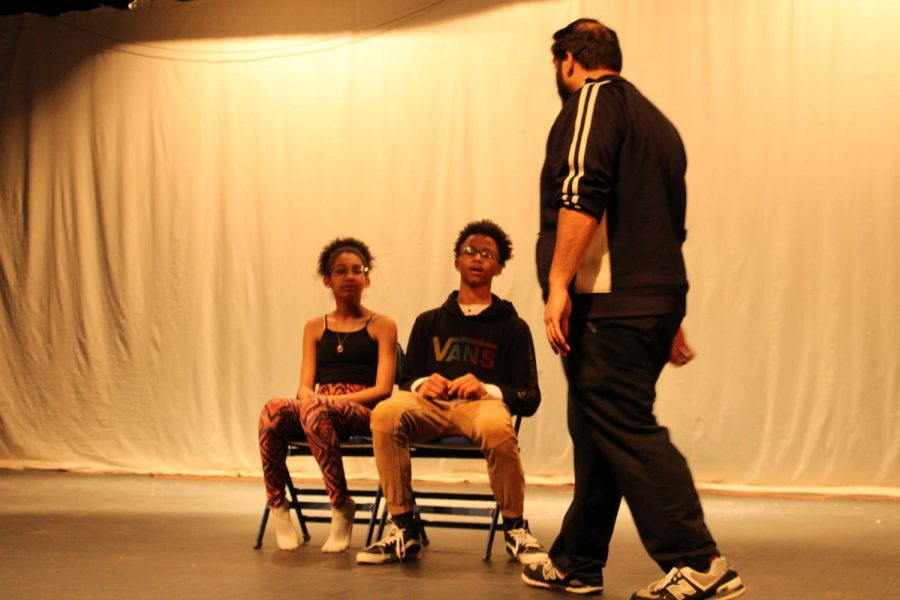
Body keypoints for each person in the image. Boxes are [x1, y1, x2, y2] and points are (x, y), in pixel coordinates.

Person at [523, 19, 745, 599]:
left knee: (622, 423)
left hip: (609, 305)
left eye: (556, 65)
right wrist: (668, 318)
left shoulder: (591, 103)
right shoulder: (658, 123)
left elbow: (581, 192)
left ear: (570, 60)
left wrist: (557, 284)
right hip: (648, 303)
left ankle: (699, 559)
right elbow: (668, 226)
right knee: (597, 427)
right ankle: (577, 560)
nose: (558, 75)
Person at [356, 220, 547, 566]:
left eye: (487, 254)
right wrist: (419, 384)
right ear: (456, 261)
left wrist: (487, 388)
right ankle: (402, 525)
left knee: (497, 429)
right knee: (385, 413)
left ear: (499, 267)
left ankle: (515, 528)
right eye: (469, 252)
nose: (476, 259)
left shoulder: (512, 327)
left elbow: (529, 397)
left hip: (481, 408)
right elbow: (407, 378)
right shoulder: (429, 321)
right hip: (431, 406)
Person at [258, 238, 398, 553]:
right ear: (327, 280)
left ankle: (340, 506)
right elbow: (305, 385)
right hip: (318, 411)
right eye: (340, 271)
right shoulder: (314, 327)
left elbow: (383, 389)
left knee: (315, 410)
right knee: (272, 410)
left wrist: (327, 401)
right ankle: (278, 507)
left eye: (356, 271)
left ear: (367, 279)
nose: (349, 277)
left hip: (363, 410)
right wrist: (310, 397)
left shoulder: (382, 325)